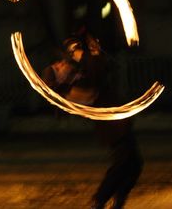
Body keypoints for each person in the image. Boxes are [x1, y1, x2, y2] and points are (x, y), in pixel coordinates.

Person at [41, 31, 143, 209]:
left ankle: (116, 201)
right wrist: (78, 52)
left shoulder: (78, 77)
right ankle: (98, 202)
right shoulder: (71, 91)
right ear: (59, 79)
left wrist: (89, 48)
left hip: (118, 124)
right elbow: (95, 74)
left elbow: (101, 67)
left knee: (134, 165)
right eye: (57, 67)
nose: (61, 63)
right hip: (112, 127)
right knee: (123, 163)